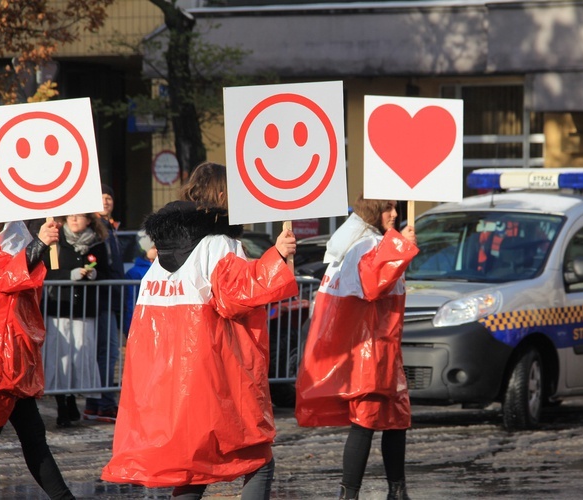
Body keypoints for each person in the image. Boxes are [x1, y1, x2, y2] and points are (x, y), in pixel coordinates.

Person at [102, 162, 298, 500]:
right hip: (215, 376)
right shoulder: (219, 244)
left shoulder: (161, 256)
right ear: (222, 194)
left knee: (191, 467)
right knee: (256, 457)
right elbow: (237, 296)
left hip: (170, 385)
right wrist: (277, 256)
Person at [0, 180, 75, 499]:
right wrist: (38, 244)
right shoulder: (5, 227)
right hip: (3, 349)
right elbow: (5, 277)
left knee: (30, 436)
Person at [295, 195, 418, 500]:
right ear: (372, 210)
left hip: (382, 348)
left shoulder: (360, 240)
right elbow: (373, 281)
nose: (394, 213)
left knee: (396, 419)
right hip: (370, 350)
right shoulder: (364, 244)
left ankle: (397, 491)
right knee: (365, 421)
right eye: (387, 207)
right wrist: (400, 246)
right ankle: (350, 494)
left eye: (395, 207)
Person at [43, 213, 110, 428]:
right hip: (59, 308)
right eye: (70, 216)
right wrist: (69, 275)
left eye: (79, 216)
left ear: (89, 220)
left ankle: (72, 398)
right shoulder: (55, 243)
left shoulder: (96, 244)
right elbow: (45, 273)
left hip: (84, 310)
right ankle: (62, 404)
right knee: (59, 359)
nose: (74, 219)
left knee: (80, 358)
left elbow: (107, 272)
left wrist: (93, 276)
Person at [84, 183, 124, 423]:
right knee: (106, 352)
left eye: (109, 197)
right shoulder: (97, 231)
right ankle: (103, 403)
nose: (107, 201)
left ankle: (97, 403)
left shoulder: (112, 228)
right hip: (101, 299)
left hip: (113, 297)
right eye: (102, 198)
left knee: (107, 352)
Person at [122, 230, 156, 336]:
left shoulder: (165, 269)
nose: (157, 250)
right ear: (144, 250)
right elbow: (130, 303)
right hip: (142, 321)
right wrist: (130, 327)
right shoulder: (134, 273)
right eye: (153, 247)